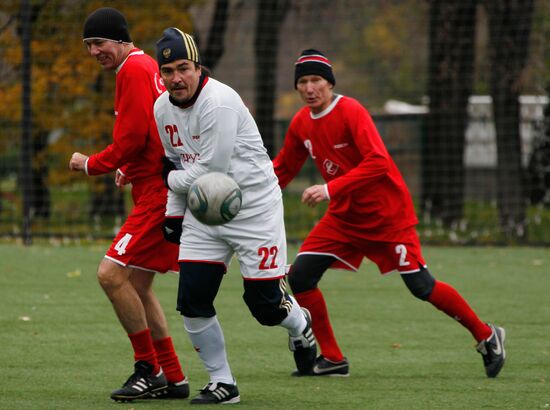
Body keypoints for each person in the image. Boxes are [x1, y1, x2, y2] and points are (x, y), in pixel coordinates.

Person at [272, 49, 506, 378]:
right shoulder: (300, 123)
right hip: (343, 219)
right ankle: (333, 358)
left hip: (387, 217)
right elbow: (282, 169)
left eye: (317, 80)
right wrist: (247, 191)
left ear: (329, 82)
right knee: (300, 277)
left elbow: (378, 162)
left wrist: (331, 189)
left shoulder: (351, 111)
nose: (310, 88)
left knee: (421, 286)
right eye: (303, 82)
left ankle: (486, 335)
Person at [154, 27, 317, 405]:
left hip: (254, 210)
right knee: (192, 300)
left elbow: (211, 169)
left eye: (184, 67)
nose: (176, 78)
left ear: (198, 67)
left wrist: (169, 181)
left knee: (264, 306)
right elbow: (177, 161)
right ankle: (222, 383)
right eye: (168, 72)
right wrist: (174, 214)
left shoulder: (220, 102)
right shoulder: (161, 108)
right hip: (204, 212)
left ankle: (300, 323)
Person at [68, 8, 188, 402]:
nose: (94, 52)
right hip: (154, 184)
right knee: (137, 282)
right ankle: (173, 376)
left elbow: (132, 137)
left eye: (99, 43)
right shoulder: (144, 66)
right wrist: (132, 168)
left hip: (158, 194)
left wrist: (92, 165)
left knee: (110, 275)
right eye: (88, 45)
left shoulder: (132, 70)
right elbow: (152, 131)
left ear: (121, 40)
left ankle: (147, 368)